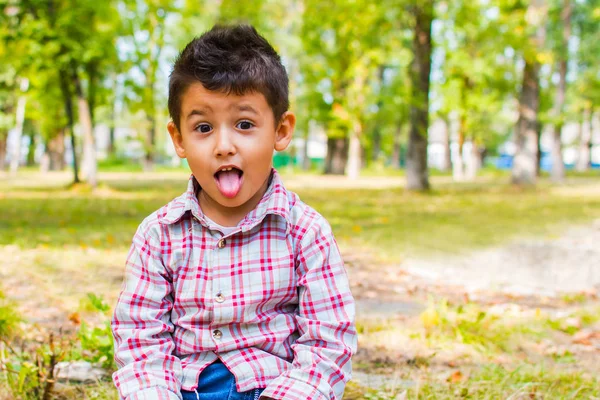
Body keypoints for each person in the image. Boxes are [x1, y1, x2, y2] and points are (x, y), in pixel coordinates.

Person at [111, 24, 357, 400]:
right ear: (179, 138)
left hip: (275, 387)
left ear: (281, 130)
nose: (224, 146)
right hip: (182, 389)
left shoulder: (305, 231)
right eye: (204, 127)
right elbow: (140, 340)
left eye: (244, 124)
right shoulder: (158, 234)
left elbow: (329, 343)